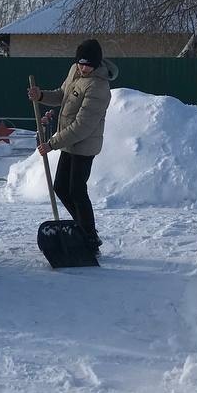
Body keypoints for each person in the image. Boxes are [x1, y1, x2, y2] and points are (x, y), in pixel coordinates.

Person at [28, 38, 115, 250]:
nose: (83, 68)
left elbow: (82, 126)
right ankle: (83, 229)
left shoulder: (99, 87)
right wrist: (41, 96)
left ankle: (89, 237)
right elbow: (62, 95)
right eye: (80, 63)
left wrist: (51, 143)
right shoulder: (74, 71)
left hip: (84, 145)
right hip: (69, 143)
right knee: (60, 187)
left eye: (88, 64)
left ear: (96, 64)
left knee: (76, 190)